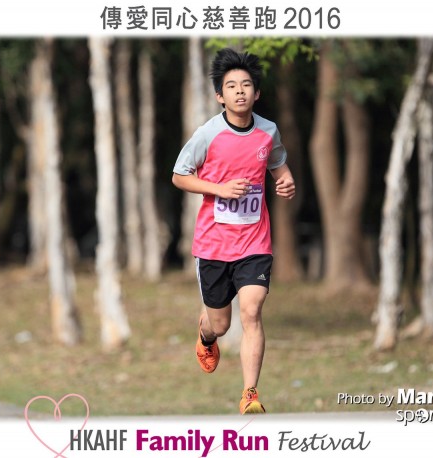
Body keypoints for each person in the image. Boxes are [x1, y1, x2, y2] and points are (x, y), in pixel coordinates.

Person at [172, 48, 296, 414]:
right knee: (221, 325)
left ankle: (249, 394)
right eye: (231, 86)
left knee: (252, 310)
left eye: (246, 85)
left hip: (255, 241)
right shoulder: (208, 134)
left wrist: (286, 181)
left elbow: (279, 165)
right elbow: (179, 176)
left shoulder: (267, 132)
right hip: (213, 244)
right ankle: (205, 333)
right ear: (219, 96)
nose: (240, 91)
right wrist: (220, 189)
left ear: (257, 93)